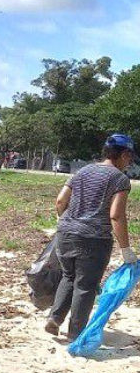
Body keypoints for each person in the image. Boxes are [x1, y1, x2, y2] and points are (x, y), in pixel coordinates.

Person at [46, 134, 137, 340]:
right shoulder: (119, 179)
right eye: (129, 157)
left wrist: (70, 225)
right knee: (85, 286)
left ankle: (55, 319)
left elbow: (60, 201)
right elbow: (116, 215)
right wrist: (126, 249)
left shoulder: (82, 171)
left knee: (68, 277)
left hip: (66, 233)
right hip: (94, 239)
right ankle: (75, 333)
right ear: (124, 154)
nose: (129, 162)